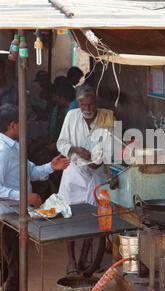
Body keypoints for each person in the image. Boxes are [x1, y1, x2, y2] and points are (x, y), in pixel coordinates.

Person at [0, 104, 70, 291]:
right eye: (22, 122)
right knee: (15, 271)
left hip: (8, 218)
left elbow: (30, 171)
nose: (26, 126)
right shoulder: (1, 151)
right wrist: (25, 196)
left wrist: (51, 167)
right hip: (1, 220)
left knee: (3, 268)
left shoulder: (13, 145)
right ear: (13, 125)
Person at [57, 84, 114, 274]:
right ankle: (71, 260)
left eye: (90, 105)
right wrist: (76, 150)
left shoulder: (106, 116)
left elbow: (109, 147)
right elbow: (62, 143)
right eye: (83, 105)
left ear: (96, 102)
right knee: (68, 215)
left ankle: (84, 259)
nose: (87, 109)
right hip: (74, 172)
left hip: (96, 173)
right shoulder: (71, 116)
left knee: (93, 216)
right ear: (78, 103)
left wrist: (97, 162)